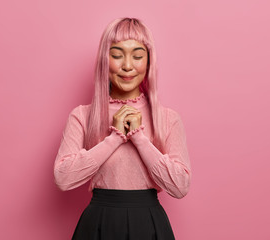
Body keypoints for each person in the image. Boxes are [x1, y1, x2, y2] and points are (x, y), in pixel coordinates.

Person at [53, 17, 192, 240]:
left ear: (148, 61)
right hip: (98, 222)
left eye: (137, 56)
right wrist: (114, 138)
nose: (127, 65)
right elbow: (63, 178)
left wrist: (139, 139)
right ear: (104, 60)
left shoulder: (168, 118)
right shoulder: (82, 115)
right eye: (117, 55)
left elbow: (180, 187)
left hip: (149, 223)